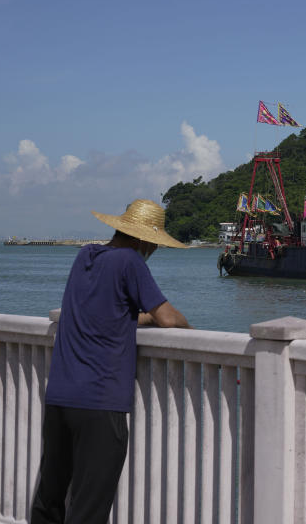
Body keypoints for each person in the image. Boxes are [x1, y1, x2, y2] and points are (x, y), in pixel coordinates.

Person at [30, 199, 192, 524]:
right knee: (89, 509)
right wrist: (190, 327)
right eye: (155, 245)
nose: (153, 251)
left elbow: (106, 311)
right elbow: (169, 319)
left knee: (49, 503)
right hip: (100, 403)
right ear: (144, 239)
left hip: (60, 398)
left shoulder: (85, 256)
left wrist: (137, 318)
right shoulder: (130, 261)